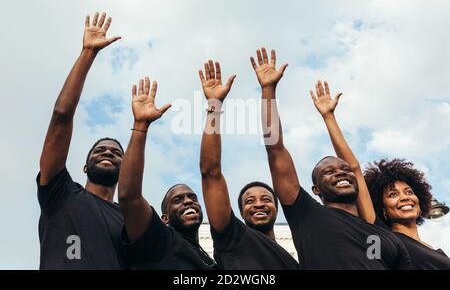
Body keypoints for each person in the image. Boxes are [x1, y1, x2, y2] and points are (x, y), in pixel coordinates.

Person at [256, 47, 412, 269]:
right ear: (316, 189)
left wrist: (329, 116)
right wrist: (268, 90)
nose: (341, 172)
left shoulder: (377, 236)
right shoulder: (307, 215)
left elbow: (371, 259)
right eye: (329, 172)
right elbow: (275, 149)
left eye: (344, 169)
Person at [37, 12, 125, 269]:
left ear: (124, 167)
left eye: (116, 152)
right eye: (99, 150)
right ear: (85, 167)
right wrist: (88, 53)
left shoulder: (129, 220)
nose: (107, 152)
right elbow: (61, 116)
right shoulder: (61, 192)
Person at [198, 60, 298, 269]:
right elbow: (210, 172)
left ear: (276, 208)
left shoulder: (294, 261)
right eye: (250, 201)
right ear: (241, 213)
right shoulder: (233, 238)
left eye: (266, 199)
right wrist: (214, 107)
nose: (259, 204)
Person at [119, 77, 216, 269]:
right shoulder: (162, 240)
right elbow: (128, 197)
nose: (188, 201)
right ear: (165, 218)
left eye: (192, 197)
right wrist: (141, 125)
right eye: (178, 200)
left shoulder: (211, 259)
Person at [365, 159, 450, 269]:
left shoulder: (437, 251)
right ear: (383, 209)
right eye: (393, 194)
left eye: (409, 192)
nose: (405, 197)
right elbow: (355, 169)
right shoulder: (384, 240)